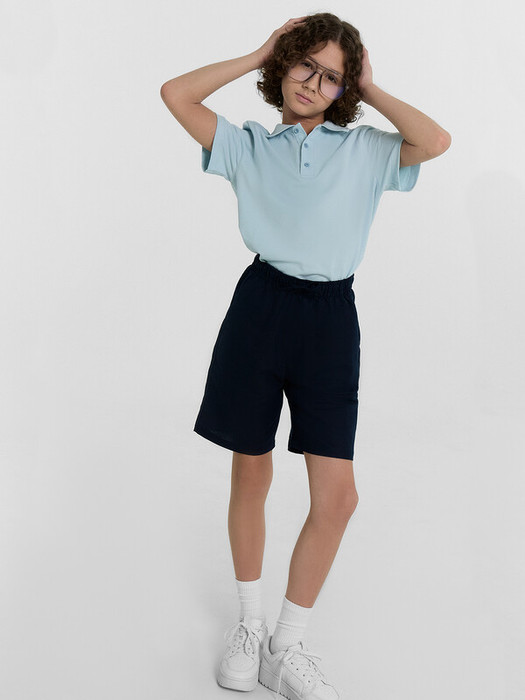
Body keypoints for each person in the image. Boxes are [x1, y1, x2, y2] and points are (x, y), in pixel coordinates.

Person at [160, 12, 450, 700]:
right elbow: (176, 94)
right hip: (259, 310)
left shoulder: (367, 151)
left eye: (330, 77)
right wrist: (259, 51)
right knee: (251, 473)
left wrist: (368, 86)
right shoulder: (247, 146)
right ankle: (249, 625)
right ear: (284, 64)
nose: (313, 84)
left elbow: (435, 140)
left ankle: (285, 646)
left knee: (338, 497)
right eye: (303, 65)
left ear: (344, 88)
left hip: (329, 321)